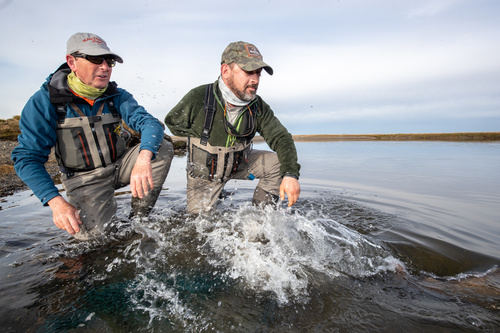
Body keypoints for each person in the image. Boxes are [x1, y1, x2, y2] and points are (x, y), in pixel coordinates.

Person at [11, 32, 174, 240]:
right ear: (72, 62)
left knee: (162, 148)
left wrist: (143, 158)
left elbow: (150, 123)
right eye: (96, 60)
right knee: (94, 243)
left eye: (110, 61)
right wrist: (55, 202)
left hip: (119, 166)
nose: (105, 67)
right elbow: (27, 158)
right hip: (84, 180)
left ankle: (138, 221)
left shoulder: (118, 95)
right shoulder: (44, 102)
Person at [165, 41, 300, 214]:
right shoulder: (198, 97)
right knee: (199, 227)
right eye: (248, 72)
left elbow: (282, 138)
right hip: (206, 175)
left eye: (258, 73)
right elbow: (173, 123)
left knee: (282, 164)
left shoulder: (258, 106)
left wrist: (290, 175)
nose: (255, 80)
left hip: (240, 164)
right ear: (225, 71)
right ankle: (216, 192)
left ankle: (262, 219)